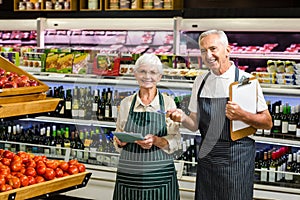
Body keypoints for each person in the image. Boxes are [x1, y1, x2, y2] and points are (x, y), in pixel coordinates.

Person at [168, 30, 273, 200]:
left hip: (236, 158)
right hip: (208, 156)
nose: (208, 55)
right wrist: (182, 118)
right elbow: (194, 124)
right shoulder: (200, 81)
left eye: (213, 49)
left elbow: (267, 122)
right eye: (203, 50)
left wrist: (243, 115)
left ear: (228, 50)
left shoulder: (246, 80)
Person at [113, 53, 181, 200]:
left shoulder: (168, 103)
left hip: (160, 177)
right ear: (135, 74)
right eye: (142, 71)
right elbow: (118, 134)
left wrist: (156, 140)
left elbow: (176, 141)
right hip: (129, 176)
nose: (147, 76)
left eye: (153, 72)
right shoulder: (126, 103)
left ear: (160, 77)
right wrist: (120, 141)